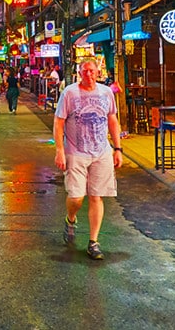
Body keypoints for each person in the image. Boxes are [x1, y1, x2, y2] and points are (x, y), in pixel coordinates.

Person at [53, 58, 123, 261]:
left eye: (92, 71)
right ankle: (71, 218)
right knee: (76, 197)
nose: (89, 74)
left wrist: (117, 148)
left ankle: (93, 242)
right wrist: (59, 150)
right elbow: (59, 122)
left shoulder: (106, 93)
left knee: (96, 195)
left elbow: (112, 119)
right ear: (79, 73)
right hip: (75, 152)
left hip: (101, 152)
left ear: (98, 71)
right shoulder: (69, 93)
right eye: (84, 71)